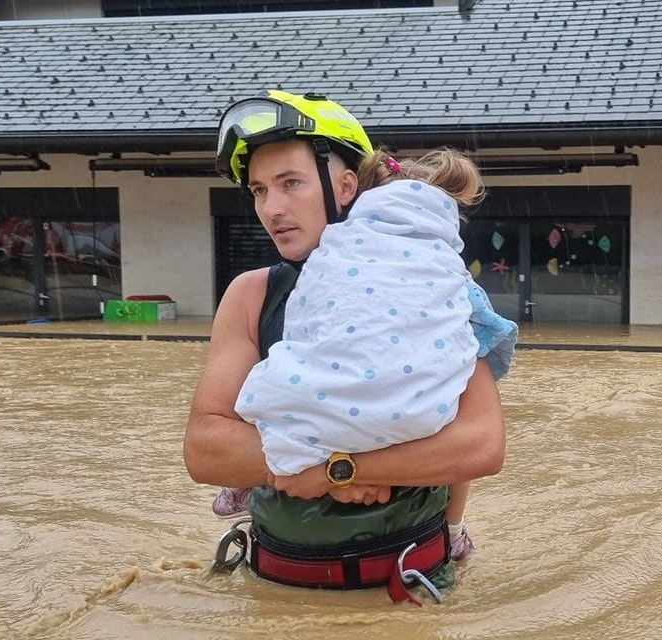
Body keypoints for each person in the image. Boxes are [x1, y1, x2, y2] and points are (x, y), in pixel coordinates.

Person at [185, 90, 505, 600]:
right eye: (259, 190)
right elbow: (204, 451)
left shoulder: (435, 284)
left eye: (291, 184)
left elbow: (482, 444)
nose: (273, 208)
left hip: (409, 589)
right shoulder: (251, 295)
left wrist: (339, 467)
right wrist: (332, 468)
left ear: (346, 185)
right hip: (275, 586)